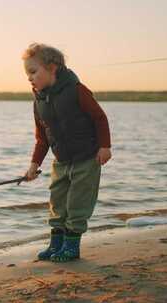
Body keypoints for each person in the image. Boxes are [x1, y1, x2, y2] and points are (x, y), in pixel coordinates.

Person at [22, 43, 111, 263]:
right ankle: (56, 245)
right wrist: (34, 164)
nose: (29, 78)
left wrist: (105, 146)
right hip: (61, 161)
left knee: (77, 204)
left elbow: (100, 118)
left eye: (33, 72)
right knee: (58, 202)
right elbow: (42, 138)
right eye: (27, 74)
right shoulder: (39, 101)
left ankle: (71, 248)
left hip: (87, 159)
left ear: (52, 68)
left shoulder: (77, 90)